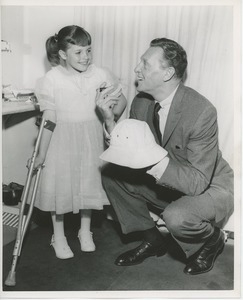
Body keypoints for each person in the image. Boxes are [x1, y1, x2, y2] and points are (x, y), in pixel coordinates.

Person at [96, 37, 234, 275]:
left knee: (177, 216)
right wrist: (109, 119)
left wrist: (148, 157)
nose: (136, 69)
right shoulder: (141, 103)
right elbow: (128, 151)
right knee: (112, 176)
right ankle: (153, 240)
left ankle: (213, 238)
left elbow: (197, 182)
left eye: (145, 64)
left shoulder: (201, 111)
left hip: (209, 187)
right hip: (170, 180)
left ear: (168, 73)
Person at [33, 25, 127, 259]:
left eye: (88, 51)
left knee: (88, 184)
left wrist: (108, 114)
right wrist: (41, 154)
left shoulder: (100, 74)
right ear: (63, 54)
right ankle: (59, 235)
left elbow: (122, 101)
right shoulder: (51, 79)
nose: (85, 57)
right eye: (78, 52)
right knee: (61, 187)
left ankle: (85, 232)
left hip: (91, 137)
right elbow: (49, 119)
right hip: (61, 141)